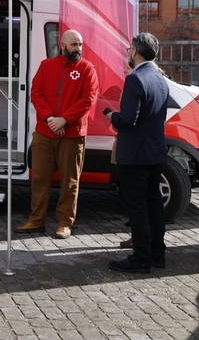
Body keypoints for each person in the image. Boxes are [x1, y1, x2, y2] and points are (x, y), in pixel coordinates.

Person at [14, 29, 99, 239]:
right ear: (62, 45)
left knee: (70, 181)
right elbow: (36, 92)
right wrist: (51, 119)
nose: (78, 49)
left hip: (72, 135)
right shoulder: (46, 66)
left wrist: (65, 119)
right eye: (73, 44)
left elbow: (89, 99)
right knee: (40, 179)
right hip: (45, 133)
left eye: (80, 44)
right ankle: (36, 221)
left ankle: (65, 223)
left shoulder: (88, 69)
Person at [105, 33, 168, 273]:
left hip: (134, 155)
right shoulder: (161, 78)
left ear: (134, 52)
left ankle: (141, 258)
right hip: (154, 152)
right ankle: (157, 254)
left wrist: (112, 116)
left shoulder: (135, 79)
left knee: (138, 207)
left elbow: (128, 120)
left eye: (129, 49)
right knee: (154, 204)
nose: (127, 53)